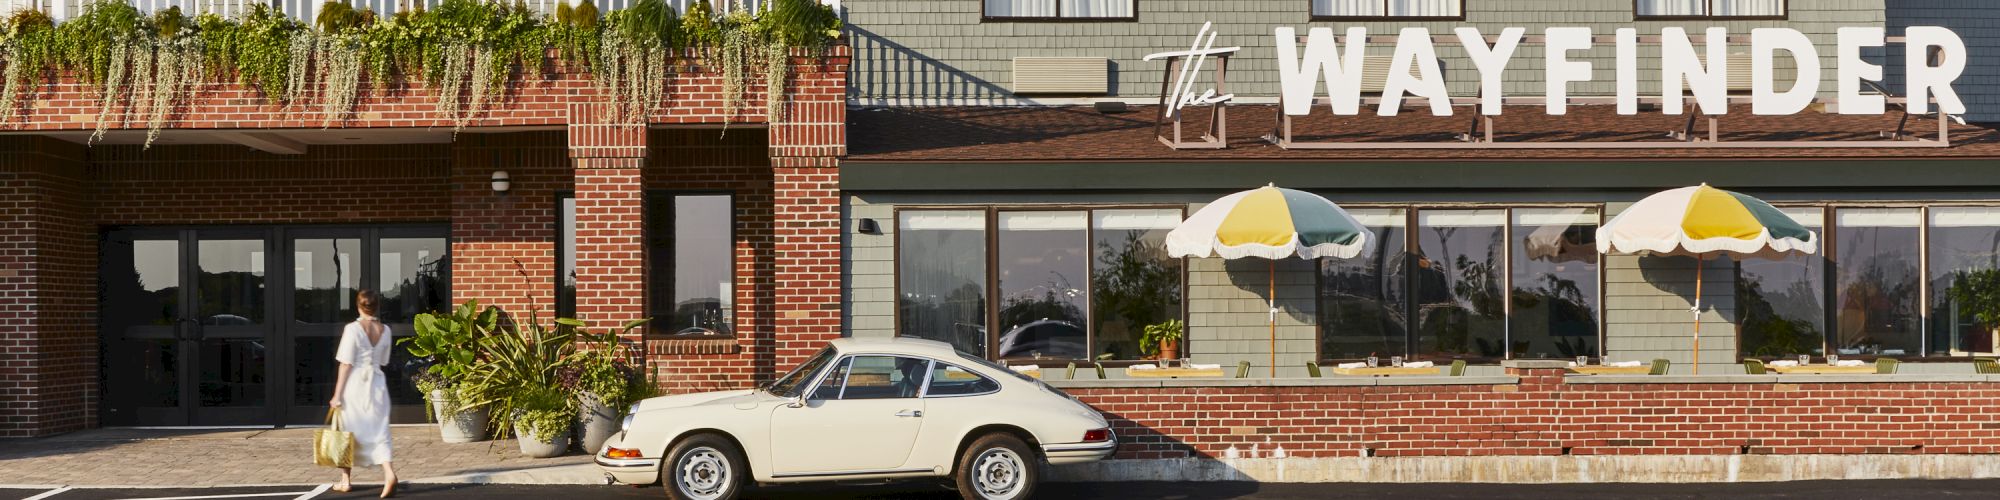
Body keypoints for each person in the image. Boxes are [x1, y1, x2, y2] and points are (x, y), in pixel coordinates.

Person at [330, 289, 398, 497]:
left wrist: (337, 395)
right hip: (377, 383)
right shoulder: (385, 330)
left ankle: (345, 480)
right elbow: (384, 360)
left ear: (359, 306)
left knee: (346, 431)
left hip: (356, 384)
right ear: (376, 306)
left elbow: (345, 364)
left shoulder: (352, 329)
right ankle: (389, 473)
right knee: (379, 430)